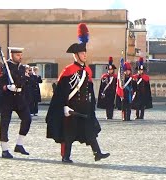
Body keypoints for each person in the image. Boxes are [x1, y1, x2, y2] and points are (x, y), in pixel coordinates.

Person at [46, 23, 109, 163]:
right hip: (71, 107)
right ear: (76, 55)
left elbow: (90, 90)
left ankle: (97, 153)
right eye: (82, 53)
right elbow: (60, 92)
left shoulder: (88, 71)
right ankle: (65, 156)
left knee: (90, 130)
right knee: (68, 133)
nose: (85, 55)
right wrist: (64, 106)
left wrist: (92, 105)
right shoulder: (68, 70)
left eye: (85, 53)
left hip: (84, 107)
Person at [0, 47, 32, 158]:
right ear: (12, 55)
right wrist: (6, 87)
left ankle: (19, 144)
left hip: (19, 98)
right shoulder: (5, 66)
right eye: (18, 55)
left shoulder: (22, 68)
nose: (20, 57)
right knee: (5, 124)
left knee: (27, 119)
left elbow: (24, 83)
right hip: (7, 98)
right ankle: (5, 149)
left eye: (21, 55)